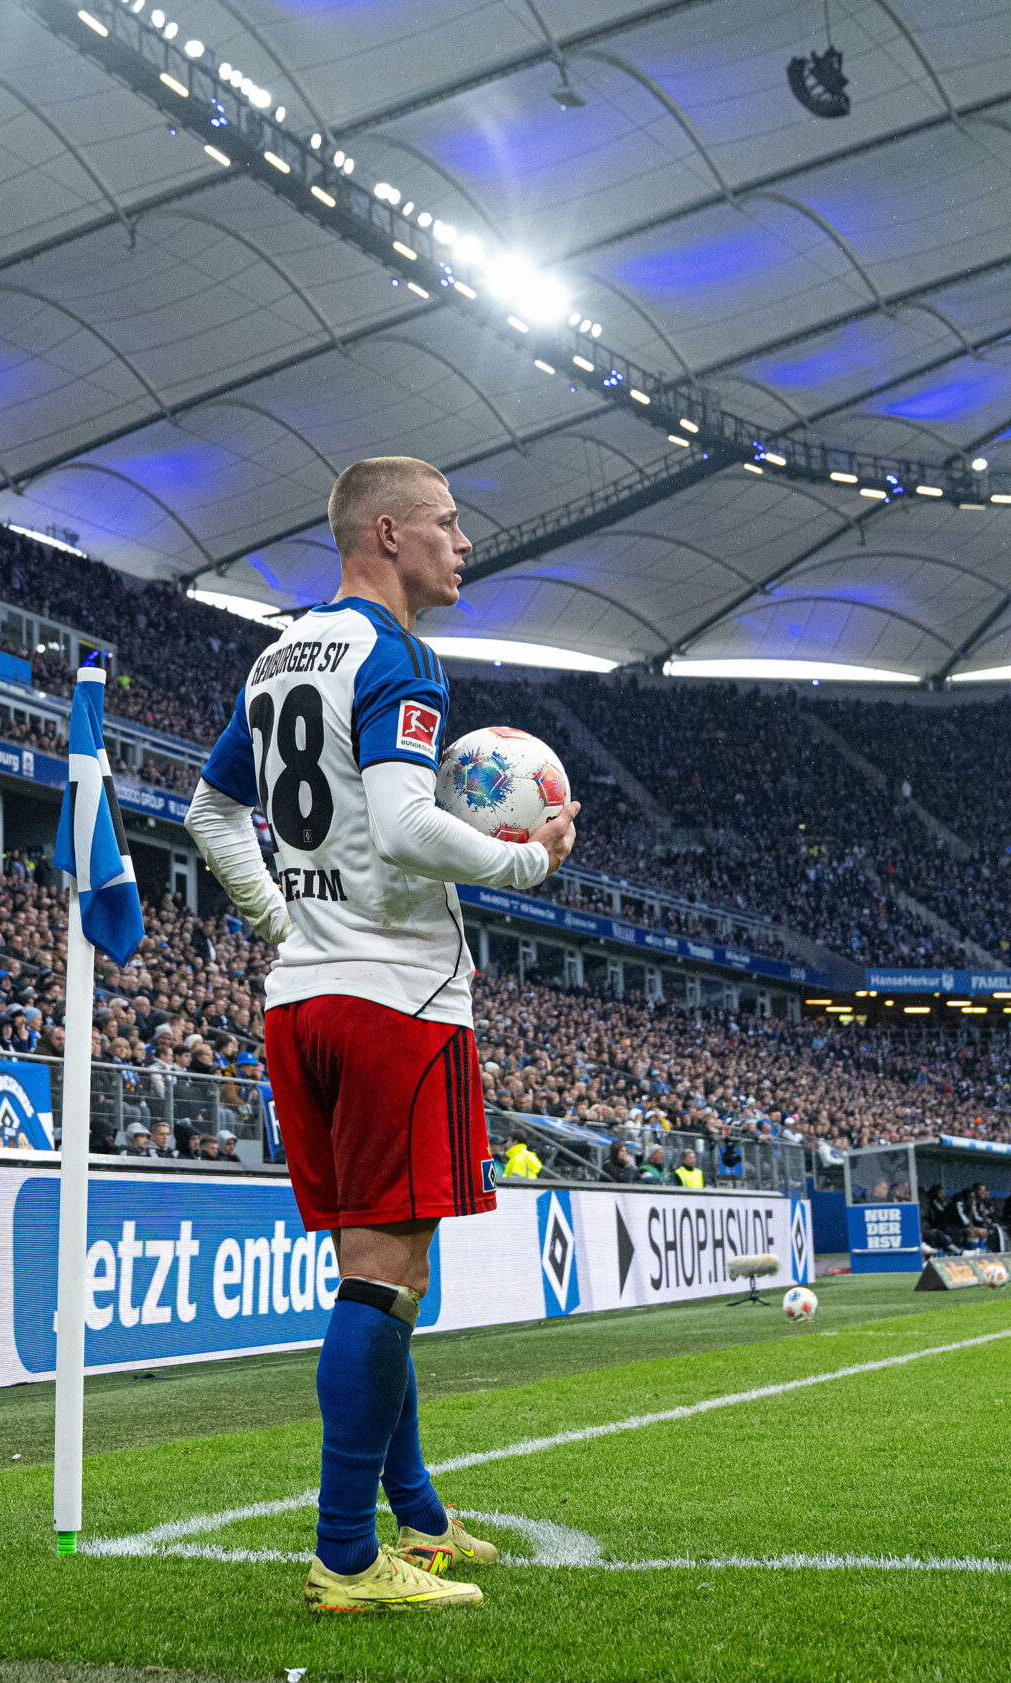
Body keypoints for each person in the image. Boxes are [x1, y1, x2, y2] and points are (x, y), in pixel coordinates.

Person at [182, 454, 577, 1614]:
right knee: (385, 1277)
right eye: (449, 526)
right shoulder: (394, 655)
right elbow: (406, 825)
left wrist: (280, 915)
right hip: (395, 999)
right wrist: (526, 862)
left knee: (391, 1276)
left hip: (303, 999)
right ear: (389, 534)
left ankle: (419, 1515)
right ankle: (347, 1556)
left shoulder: (278, 657)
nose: (465, 544)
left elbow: (211, 809)